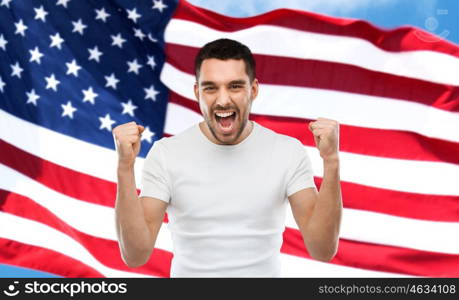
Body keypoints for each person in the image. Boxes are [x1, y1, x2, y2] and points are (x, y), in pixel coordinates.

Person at [113, 38, 342, 277]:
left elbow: (322, 249)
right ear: (197, 92)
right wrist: (125, 167)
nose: (223, 100)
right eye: (211, 88)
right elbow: (135, 255)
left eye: (234, 86)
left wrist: (331, 161)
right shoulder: (166, 154)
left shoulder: (286, 151)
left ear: (253, 90)